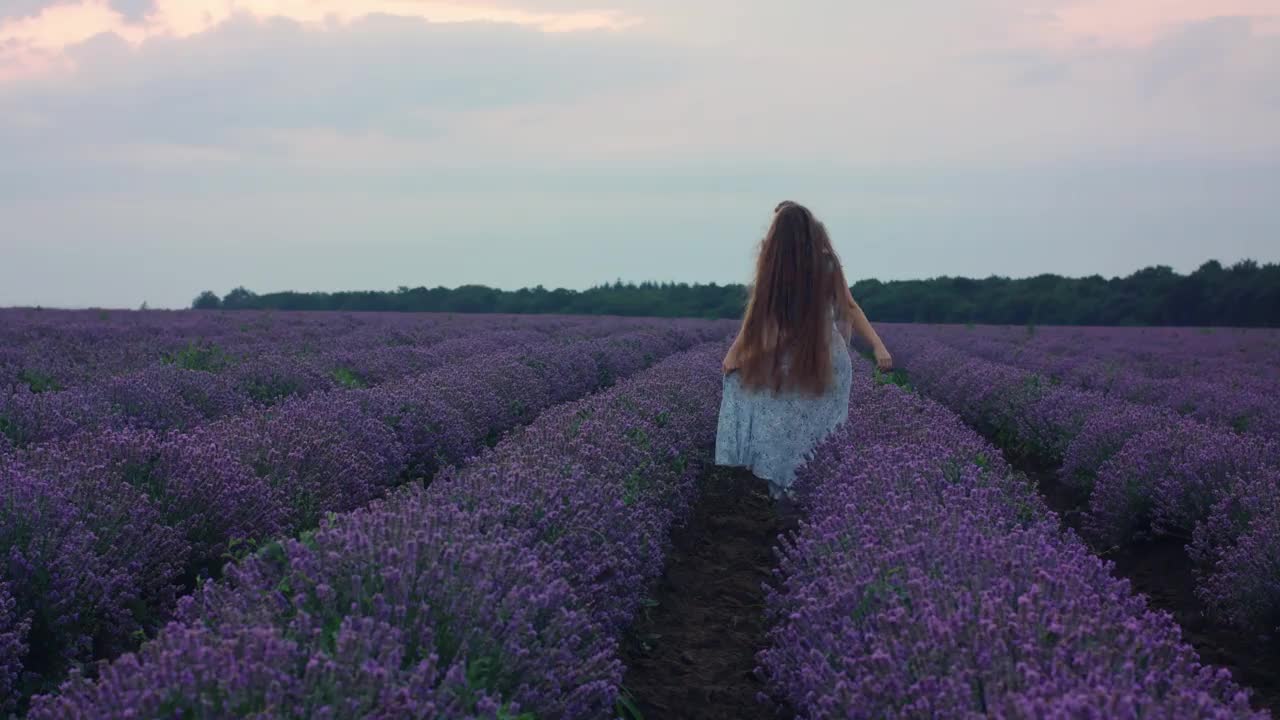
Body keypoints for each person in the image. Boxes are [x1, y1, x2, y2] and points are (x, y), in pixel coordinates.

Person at [716, 201, 893, 502]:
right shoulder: (825, 262)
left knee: (780, 429)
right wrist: (879, 346)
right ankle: (817, 496)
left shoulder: (774, 263)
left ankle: (786, 492)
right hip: (827, 360)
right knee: (823, 431)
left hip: (788, 361)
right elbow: (849, 307)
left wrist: (736, 353)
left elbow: (756, 315)